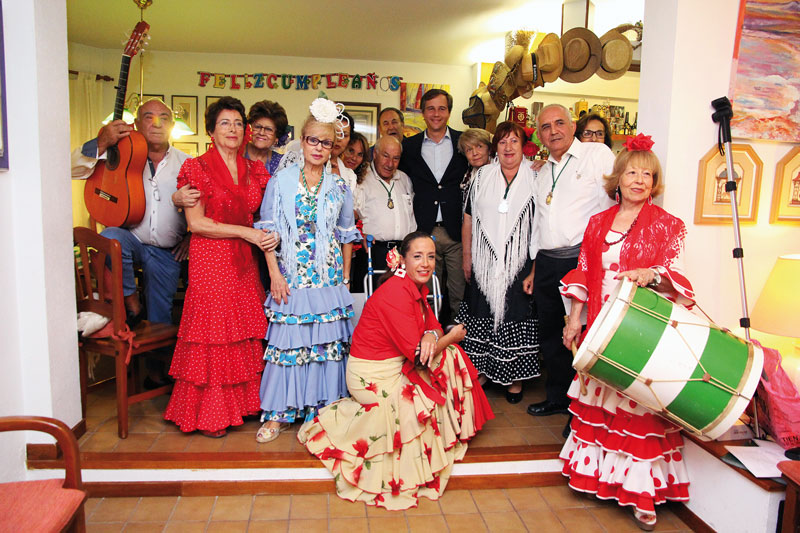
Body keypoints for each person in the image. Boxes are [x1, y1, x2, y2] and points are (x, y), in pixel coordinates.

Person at [297, 231, 493, 510]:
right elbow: (419, 356)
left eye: (430, 257)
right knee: (427, 390)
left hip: (397, 363)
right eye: (417, 256)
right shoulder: (396, 292)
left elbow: (432, 328)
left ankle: (453, 428)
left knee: (450, 357)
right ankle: (340, 421)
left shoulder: (412, 286)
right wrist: (450, 336)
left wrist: (433, 336)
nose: (425, 263)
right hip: (372, 375)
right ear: (402, 259)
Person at [559, 134, 693, 530]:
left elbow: (675, 276)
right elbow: (584, 271)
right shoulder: (597, 222)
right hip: (601, 323)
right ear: (617, 178)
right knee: (605, 404)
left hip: (641, 329)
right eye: (632, 171)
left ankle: (641, 495)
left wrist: (651, 273)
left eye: (647, 174)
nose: (639, 180)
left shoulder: (669, 226)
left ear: (655, 183)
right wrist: (573, 319)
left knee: (638, 410)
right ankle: (602, 479)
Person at [163, 96, 277, 437]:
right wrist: (247, 233)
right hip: (211, 260)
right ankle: (211, 414)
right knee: (214, 337)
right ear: (211, 130)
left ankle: (245, 405)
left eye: (239, 123)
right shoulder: (195, 168)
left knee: (242, 333)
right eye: (225, 123)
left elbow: (270, 210)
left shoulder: (255, 169)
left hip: (245, 262)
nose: (234, 129)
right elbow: (196, 224)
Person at [256, 98, 362, 443]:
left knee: (326, 345)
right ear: (301, 141)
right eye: (313, 140)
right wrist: (274, 273)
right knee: (288, 345)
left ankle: (325, 411)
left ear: (334, 148)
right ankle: (279, 414)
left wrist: (344, 279)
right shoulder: (281, 181)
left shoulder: (340, 187)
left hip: (328, 278)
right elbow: (267, 231)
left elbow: (347, 235)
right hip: (291, 276)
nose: (319, 147)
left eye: (326, 142)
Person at [526, 104, 615, 417]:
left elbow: (611, 208)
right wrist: (535, 268)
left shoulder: (597, 155)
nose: (554, 131)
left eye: (559, 123)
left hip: (582, 259)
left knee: (583, 333)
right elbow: (539, 221)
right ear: (540, 135)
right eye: (546, 127)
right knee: (551, 335)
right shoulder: (543, 170)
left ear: (573, 125)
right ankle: (558, 398)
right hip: (548, 262)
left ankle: (584, 411)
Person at [71, 98, 193, 327]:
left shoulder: (188, 163)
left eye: (164, 118)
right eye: (149, 117)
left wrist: (191, 236)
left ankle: (155, 361)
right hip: (132, 239)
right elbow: (72, 168)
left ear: (172, 125)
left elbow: (210, 207)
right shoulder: (119, 154)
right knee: (110, 237)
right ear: (136, 124)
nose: (157, 124)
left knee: (161, 318)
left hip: (168, 251)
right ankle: (131, 300)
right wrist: (102, 142)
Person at [455, 122, 539, 403]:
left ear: (523, 145)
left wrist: (535, 268)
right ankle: (483, 370)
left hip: (520, 261)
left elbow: (542, 224)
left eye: (514, 141)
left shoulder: (536, 176)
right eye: (502, 142)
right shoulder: (481, 177)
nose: (508, 147)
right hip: (482, 258)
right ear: (496, 148)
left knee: (514, 314)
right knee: (483, 312)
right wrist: (468, 257)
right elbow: (468, 219)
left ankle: (513, 379)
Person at [399, 89, 469, 324]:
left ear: (449, 111)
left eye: (441, 108)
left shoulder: (464, 142)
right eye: (431, 108)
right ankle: (429, 337)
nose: (436, 114)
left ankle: (459, 346)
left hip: (457, 231)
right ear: (423, 113)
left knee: (459, 292)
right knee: (426, 293)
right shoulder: (409, 146)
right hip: (424, 230)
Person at [354, 135, 416, 275]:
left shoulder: (404, 179)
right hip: (373, 252)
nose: (390, 164)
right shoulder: (361, 178)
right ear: (375, 154)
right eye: (386, 156)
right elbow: (350, 217)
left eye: (396, 158)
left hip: (403, 253)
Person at [243, 100, 289, 175]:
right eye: (257, 127)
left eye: (268, 129)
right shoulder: (236, 153)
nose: (261, 133)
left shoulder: (281, 162)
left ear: (277, 136)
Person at [456, 127, 492, 214]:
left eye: (479, 146)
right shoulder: (467, 175)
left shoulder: (500, 171)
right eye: (469, 150)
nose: (475, 153)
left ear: (489, 149)